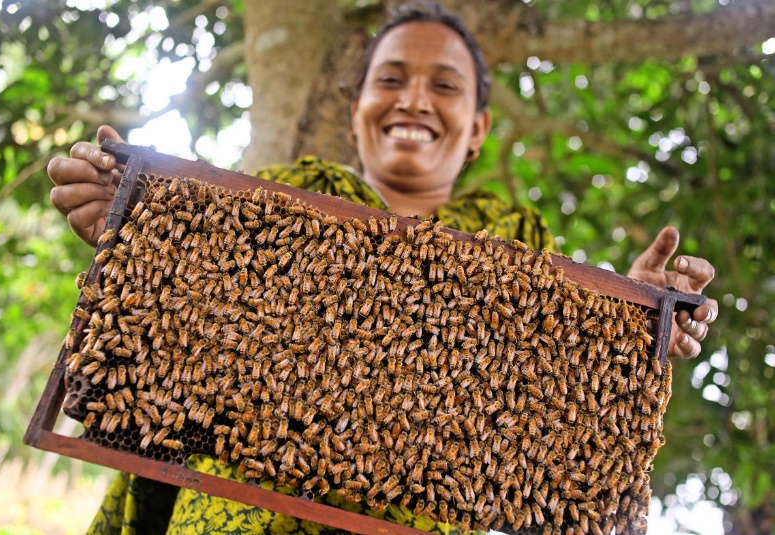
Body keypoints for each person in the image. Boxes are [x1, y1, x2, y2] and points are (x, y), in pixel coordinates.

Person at [47, 2, 718, 533]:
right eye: (390, 79)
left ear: (478, 128)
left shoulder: (519, 241)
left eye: (444, 86)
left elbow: (557, 417)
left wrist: (634, 322)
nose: (414, 99)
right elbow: (177, 331)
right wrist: (131, 230)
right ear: (356, 108)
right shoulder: (273, 192)